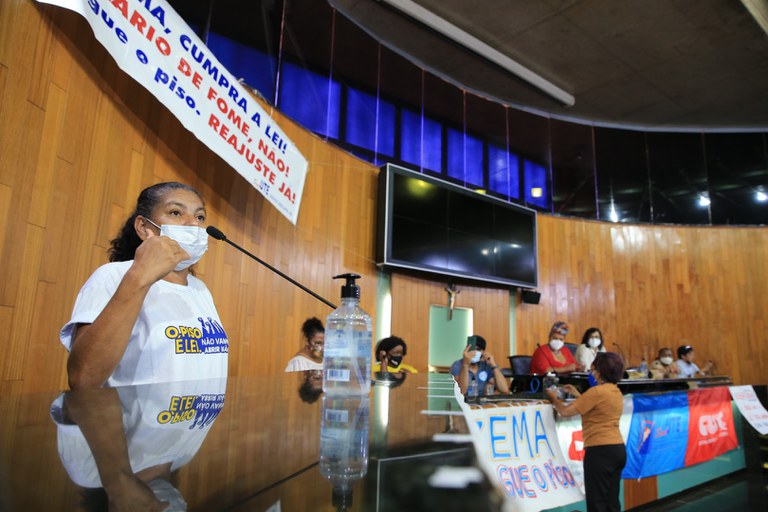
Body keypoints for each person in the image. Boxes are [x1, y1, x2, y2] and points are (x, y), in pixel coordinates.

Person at [61, 182, 229, 389]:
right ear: (143, 227)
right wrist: (139, 277)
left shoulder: (200, 289)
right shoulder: (112, 276)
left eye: (200, 217)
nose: (193, 224)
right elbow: (83, 378)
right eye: (176, 213)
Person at [546, 352, 626, 512]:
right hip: (617, 450)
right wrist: (578, 395)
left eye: (593, 369)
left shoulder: (596, 392)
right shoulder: (615, 391)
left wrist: (553, 398)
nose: (592, 373)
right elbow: (597, 406)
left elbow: (565, 412)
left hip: (599, 452)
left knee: (597, 503)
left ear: (600, 371)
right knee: (612, 502)